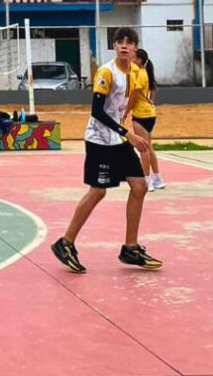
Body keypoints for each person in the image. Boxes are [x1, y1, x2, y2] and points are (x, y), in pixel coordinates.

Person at [50, 26, 162, 273]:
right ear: (114, 46)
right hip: (100, 139)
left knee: (140, 186)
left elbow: (133, 98)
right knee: (98, 192)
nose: (124, 45)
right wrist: (128, 133)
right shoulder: (106, 72)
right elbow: (97, 112)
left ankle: (130, 248)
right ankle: (65, 243)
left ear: (135, 48)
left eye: (129, 42)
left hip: (118, 139)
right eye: (119, 41)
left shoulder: (135, 72)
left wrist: (130, 122)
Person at [130, 47, 164, 191]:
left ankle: (147, 180)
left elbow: (134, 95)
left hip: (141, 115)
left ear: (139, 60)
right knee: (149, 147)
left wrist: (125, 111)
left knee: (143, 148)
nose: (131, 58)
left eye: (134, 56)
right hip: (150, 114)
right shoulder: (146, 73)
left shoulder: (140, 75)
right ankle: (157, 178)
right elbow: (152, 91)